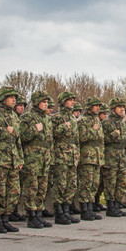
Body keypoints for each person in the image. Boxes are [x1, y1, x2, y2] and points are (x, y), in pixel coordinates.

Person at [0, 87, 24, 233]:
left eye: (15, 97)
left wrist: (20, 158)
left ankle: (6, 218)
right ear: (3, 99)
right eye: (10, 97)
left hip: (13, 158)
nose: (14, 100)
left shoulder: (14, 116)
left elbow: (17, 139)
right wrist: (3, 132)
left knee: (13, 191)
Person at [19, 90, 54, 228]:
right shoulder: (27, 117)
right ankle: (31, 215)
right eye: (43, 102)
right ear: (36, 102)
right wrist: (35, 129)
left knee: (42, 188)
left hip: (44, 158)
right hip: (32, 159)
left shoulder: (47, 119)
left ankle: (39, 213)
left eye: (47, 102)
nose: (46, 104)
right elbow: (21, 136)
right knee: (31, 188)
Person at [51, 91, 80, 225]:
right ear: (63, 102)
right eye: (70, 100)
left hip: (72, 155)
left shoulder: (73, 119)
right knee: (60, 184)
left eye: (73, 100)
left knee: (71, 184)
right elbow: (51, 135)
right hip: (61, 155)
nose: (72, 102)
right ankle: (59, 212)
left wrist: (77, 154)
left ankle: (67, 211)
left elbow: (76, 139)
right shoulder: (57, 118)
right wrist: (63, 126)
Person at [77, 97, 104, 221]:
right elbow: (81, 137)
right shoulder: (83, 121)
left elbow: (101, 140)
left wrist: (101, 156)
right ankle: (84, 209)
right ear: (89, 107)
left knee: (94, 184)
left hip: (97, 157)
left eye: (99, 105)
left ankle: (90, 207)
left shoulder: (97, 120)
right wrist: (93, 130)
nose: (98, 108)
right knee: (86, 184)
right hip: (87, 157)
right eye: (96, 105)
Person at [102, 98, 126, 217]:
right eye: (119, 107)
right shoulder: (106, 123)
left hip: (121, 157)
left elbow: (125, 142)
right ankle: (110, 206)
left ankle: (117, 204)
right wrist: (113, 135)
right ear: (113, 109)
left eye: (123, 106)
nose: (122, 109)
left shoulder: (123, 123)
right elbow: (102, 140)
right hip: (110, 157)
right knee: (110, 183)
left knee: (123, 182)